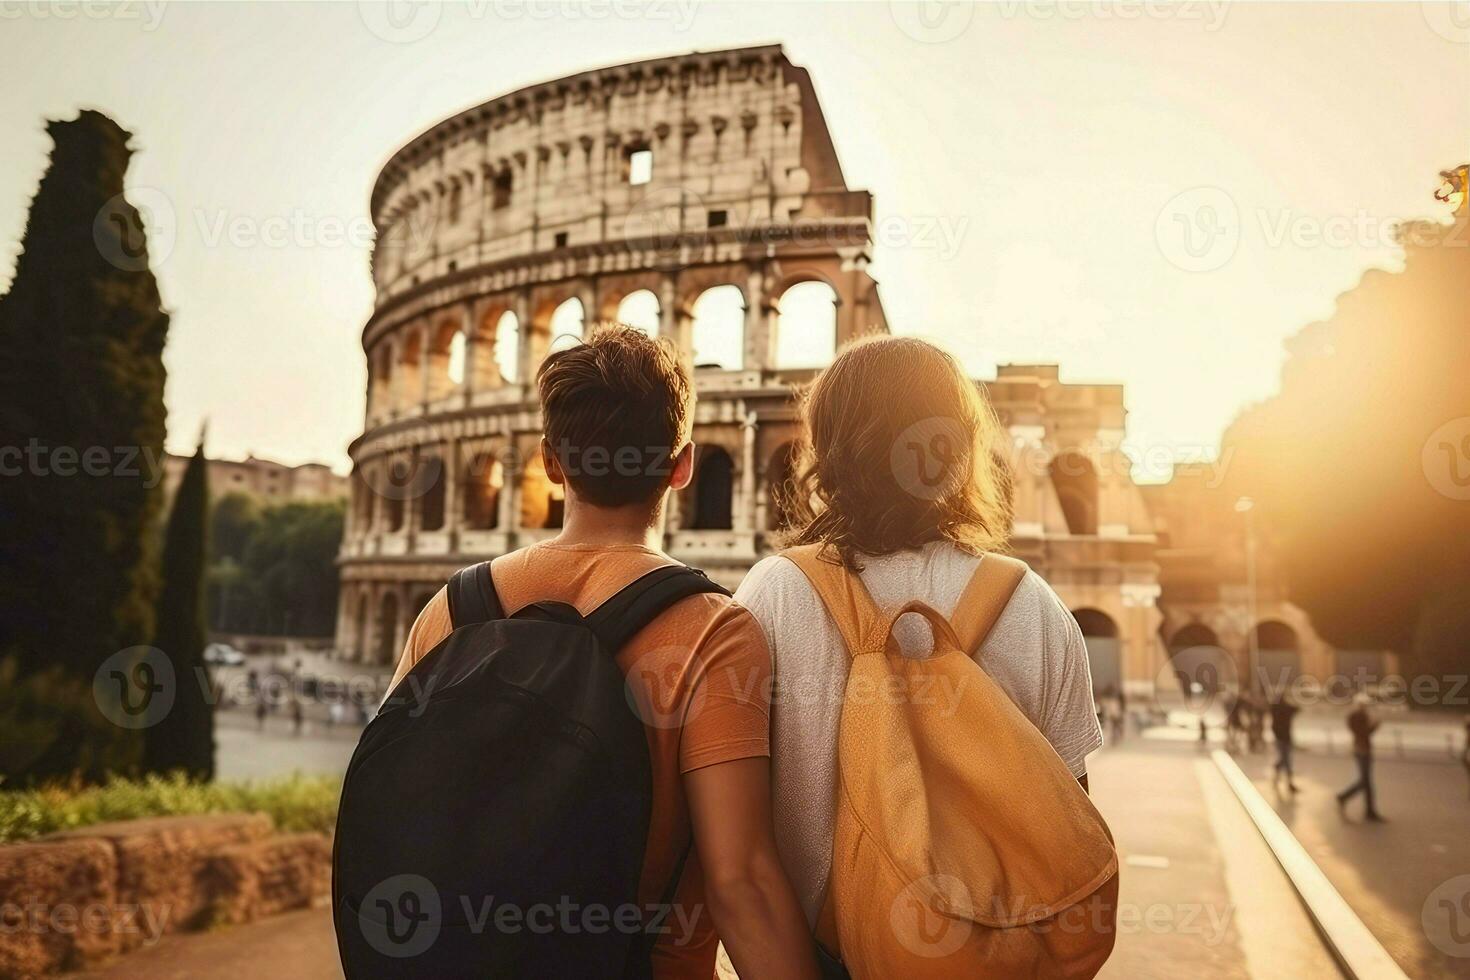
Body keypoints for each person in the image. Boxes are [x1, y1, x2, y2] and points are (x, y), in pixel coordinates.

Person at [388, 326, 817, 980]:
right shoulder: (712, 632)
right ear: (684, 465)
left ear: (550, 464)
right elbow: (741, 884)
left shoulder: (449, 613)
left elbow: (391, 814)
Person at [735, 336, 1104, 943]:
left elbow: (735, 844)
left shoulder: (774, 594)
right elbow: (1066, 827)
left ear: (828, 449)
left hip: (817, 955)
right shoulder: (1031, 603)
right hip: (984, 956)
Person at [1336, 694, 1385, 821]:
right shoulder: (1358, 716)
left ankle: (1369, 811)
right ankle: (1343, 797)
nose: (1366, 707)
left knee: (1367, 782)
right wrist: (1375, 725)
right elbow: (1364, 732)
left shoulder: (1355, 716)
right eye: (1365, 705)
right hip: (1362, 750)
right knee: (1365, 781)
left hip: (1360, 748)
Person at [1269, 693, 1300, 793]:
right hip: (1285, 738)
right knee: (1286, 760)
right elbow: (1297, 709)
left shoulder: (1274, 709)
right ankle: (1289, 783)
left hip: (1279, 737)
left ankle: (1277, 777)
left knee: (1283, 759)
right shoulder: (1286, 709)